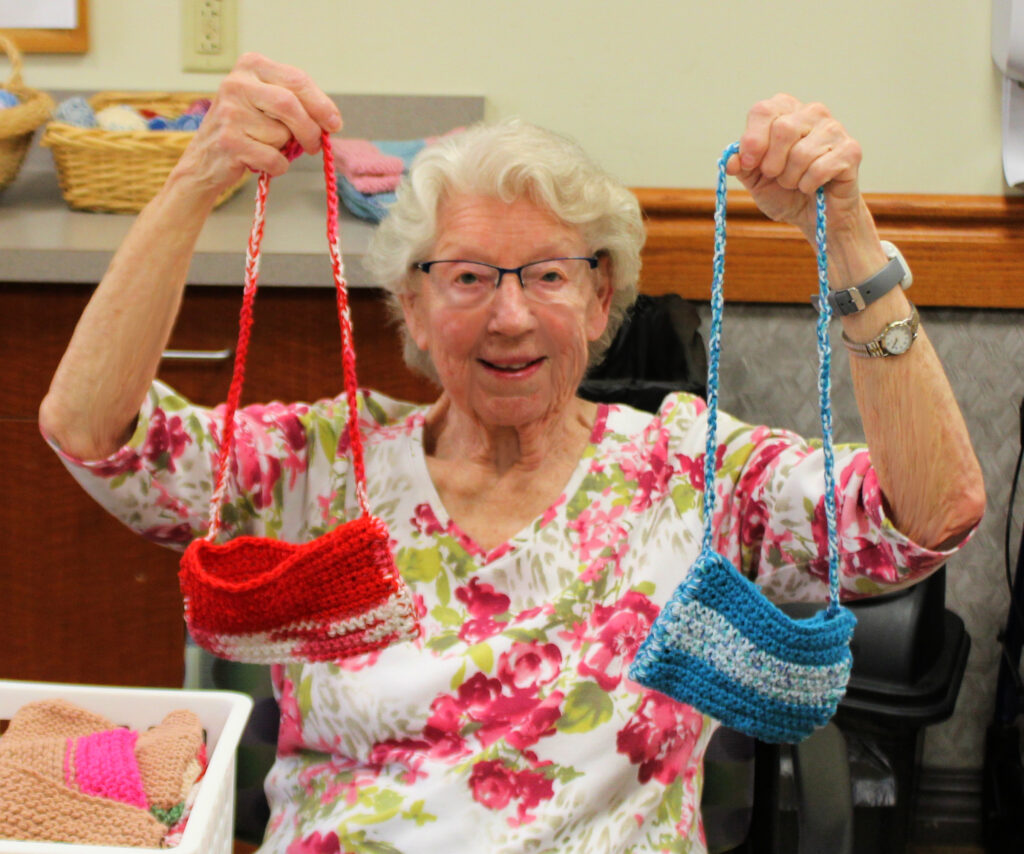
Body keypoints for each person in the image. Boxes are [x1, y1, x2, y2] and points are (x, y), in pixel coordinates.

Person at [39, 54, 984, 853]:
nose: (511, 314)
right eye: (467, 277)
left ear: (602, 299)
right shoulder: (320, 464)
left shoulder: (689, 469)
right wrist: (196, 177)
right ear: (409, 305)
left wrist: (850, 235)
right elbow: (90, 433)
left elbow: (931, 512)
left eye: (548, 274)